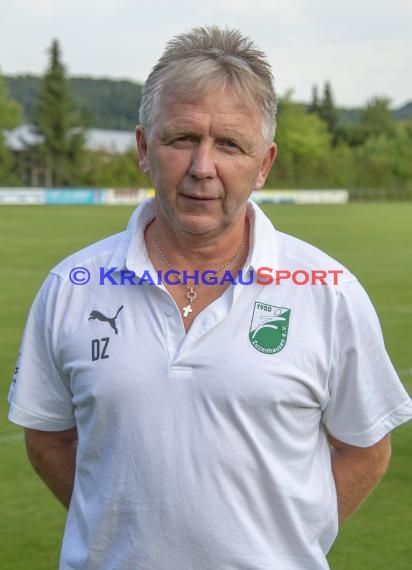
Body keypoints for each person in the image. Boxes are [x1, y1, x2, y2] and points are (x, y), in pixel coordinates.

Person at [8, 25, 412, 570]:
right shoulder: (71, 286)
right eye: (181, 139)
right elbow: (48, 439)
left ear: (264, 164)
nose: (203, 168)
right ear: (144, 150)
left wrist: (284, 542)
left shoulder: (329, 290)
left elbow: (366, 448)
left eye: (230, 145)